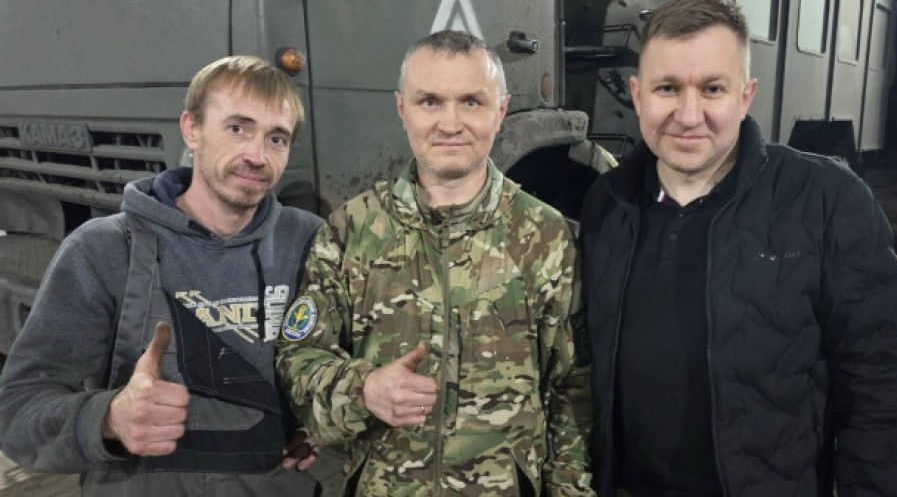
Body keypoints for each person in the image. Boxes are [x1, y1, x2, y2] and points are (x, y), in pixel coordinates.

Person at [579, 0, 897, 497]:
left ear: (745, 96)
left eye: (712, 89)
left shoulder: (825, 199)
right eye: (667, 88)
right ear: (637, 94)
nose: (688, 114)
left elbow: (882, 377)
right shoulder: (607, 203)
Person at [276, 30, 594, 496]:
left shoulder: (544, 235)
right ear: (402, 109)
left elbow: (572, 388)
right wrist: (363, 390)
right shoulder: (351, 230)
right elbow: (298, 357)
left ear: (500, 111)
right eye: (430, 102)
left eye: (471, 102)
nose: (450, 123)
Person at [0, 55, 326, 496]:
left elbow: (333, 365)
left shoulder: (309, 242)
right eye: (237, 128)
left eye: (277, 138)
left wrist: (318, 419)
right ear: (192, 129)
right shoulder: (104, 250)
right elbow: (17, 411)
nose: (256, 155)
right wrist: (109, 419)